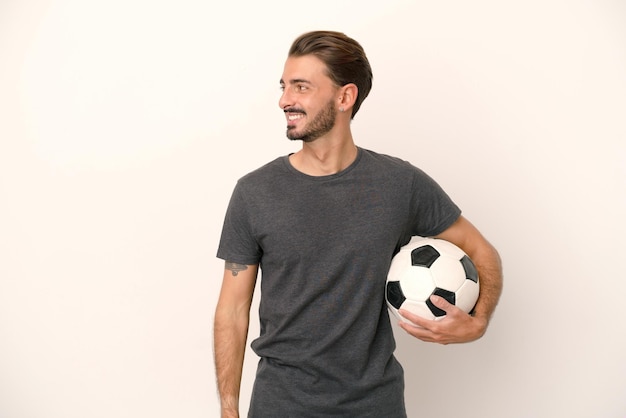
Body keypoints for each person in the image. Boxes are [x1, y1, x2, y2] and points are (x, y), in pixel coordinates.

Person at [213, 30, 503, 418]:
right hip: (280, 405)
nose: (285, 100)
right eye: (284, 87)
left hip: (374, 405)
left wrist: (478, 320)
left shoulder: (401, 185)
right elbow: (232, 310)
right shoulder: (254, 192)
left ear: (345, 97)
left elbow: (481, 250)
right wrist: (228, 410)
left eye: (301, 87)